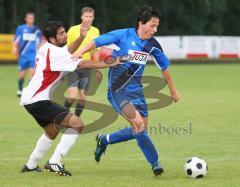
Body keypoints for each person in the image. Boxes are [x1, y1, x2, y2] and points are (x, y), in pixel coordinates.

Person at [73, 5, 180, 176]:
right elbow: (96, 41)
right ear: (141, 23)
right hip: (118, 90)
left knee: (140, 129)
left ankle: (105, 140)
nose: (155, 29)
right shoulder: (123, 35)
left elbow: (164, 67)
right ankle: (155, 163)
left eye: (157, 26)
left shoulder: (153, 44)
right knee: (138, 125)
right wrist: (78, 52)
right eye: (153, 25)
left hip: (137, 91)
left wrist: (173, 91)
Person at [20, 21, 119, 176]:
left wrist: (81, 37)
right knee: (77, 124)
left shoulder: (48, 47)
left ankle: (31, 165)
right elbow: (82, 62)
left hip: (31, 99)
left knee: (52, 130)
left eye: (64, 31)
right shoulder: (56, 53)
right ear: (53, 39)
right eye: (61, 33)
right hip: (38, 100)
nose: (65, 34)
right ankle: (54, 162)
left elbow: (68, 50)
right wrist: (110, 63)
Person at [65, 6, 101, 117]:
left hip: (87, 68)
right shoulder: (72, 30)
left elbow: (95, 52)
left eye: (91, 16)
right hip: (73, 66)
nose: (88, 19)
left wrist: (97, 68)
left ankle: (76, 119)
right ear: (82, 17)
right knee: (72, 95)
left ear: (93, 18)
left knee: (82, 98)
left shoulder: (96, 31)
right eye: (86, 16)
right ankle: (62, 117)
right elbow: (67, 49)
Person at [13, 11, 42, 97]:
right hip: (23, 55)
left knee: (32, 75)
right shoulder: (20, 28)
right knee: (21, 75)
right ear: (26, 19)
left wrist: (40, 53)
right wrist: (14, 48)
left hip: (33, 55)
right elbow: (16, 40)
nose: (30, 20)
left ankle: (29, 92)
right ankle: (20, 89)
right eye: (29, 18)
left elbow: (39, 43)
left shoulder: (37, 30)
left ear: (34, 19)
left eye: (32, 18)